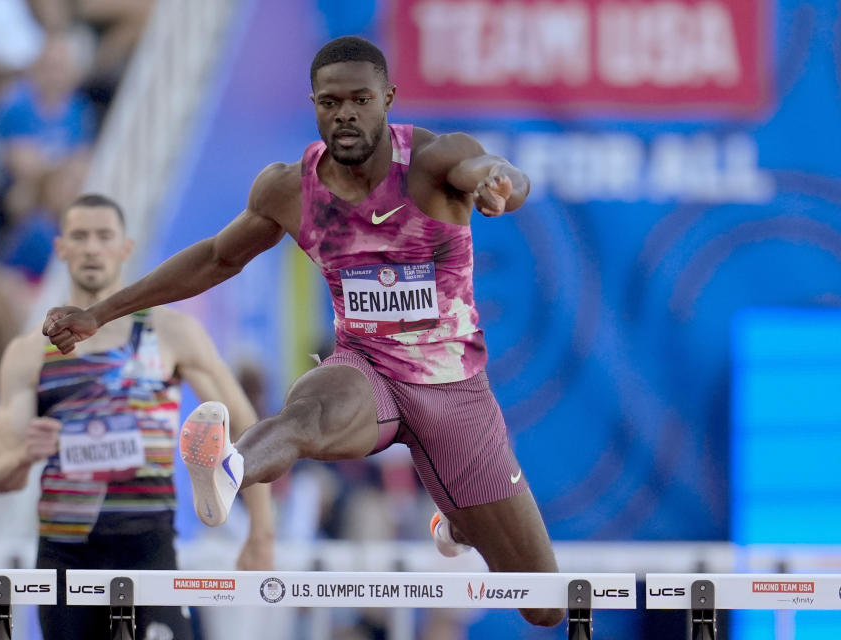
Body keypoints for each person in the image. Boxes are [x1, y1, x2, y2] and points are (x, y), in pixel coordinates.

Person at [43, 36, 563, 627]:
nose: (345, 113)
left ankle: (456, 515)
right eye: (329, 102)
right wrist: (101, 312)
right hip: (367, 371)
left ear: (387, 99)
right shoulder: (290, 190)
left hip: (453, 392)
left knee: (543, 605)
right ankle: (227, 468)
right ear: (314, 105)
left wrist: (500, 183)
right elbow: (215, 257)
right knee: (307, 413)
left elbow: (493, 171)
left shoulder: (433, 162)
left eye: (360, 99)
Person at [0, 193, 274, 639]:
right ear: (62, 249)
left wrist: (261, 532)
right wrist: (25, 454)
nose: (92, 247)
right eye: (80, 236)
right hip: (65, 553)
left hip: (147, 546)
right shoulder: (29, 354)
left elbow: (245, 425)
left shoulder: (171, 332)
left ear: (125, 248)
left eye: (105, 236)